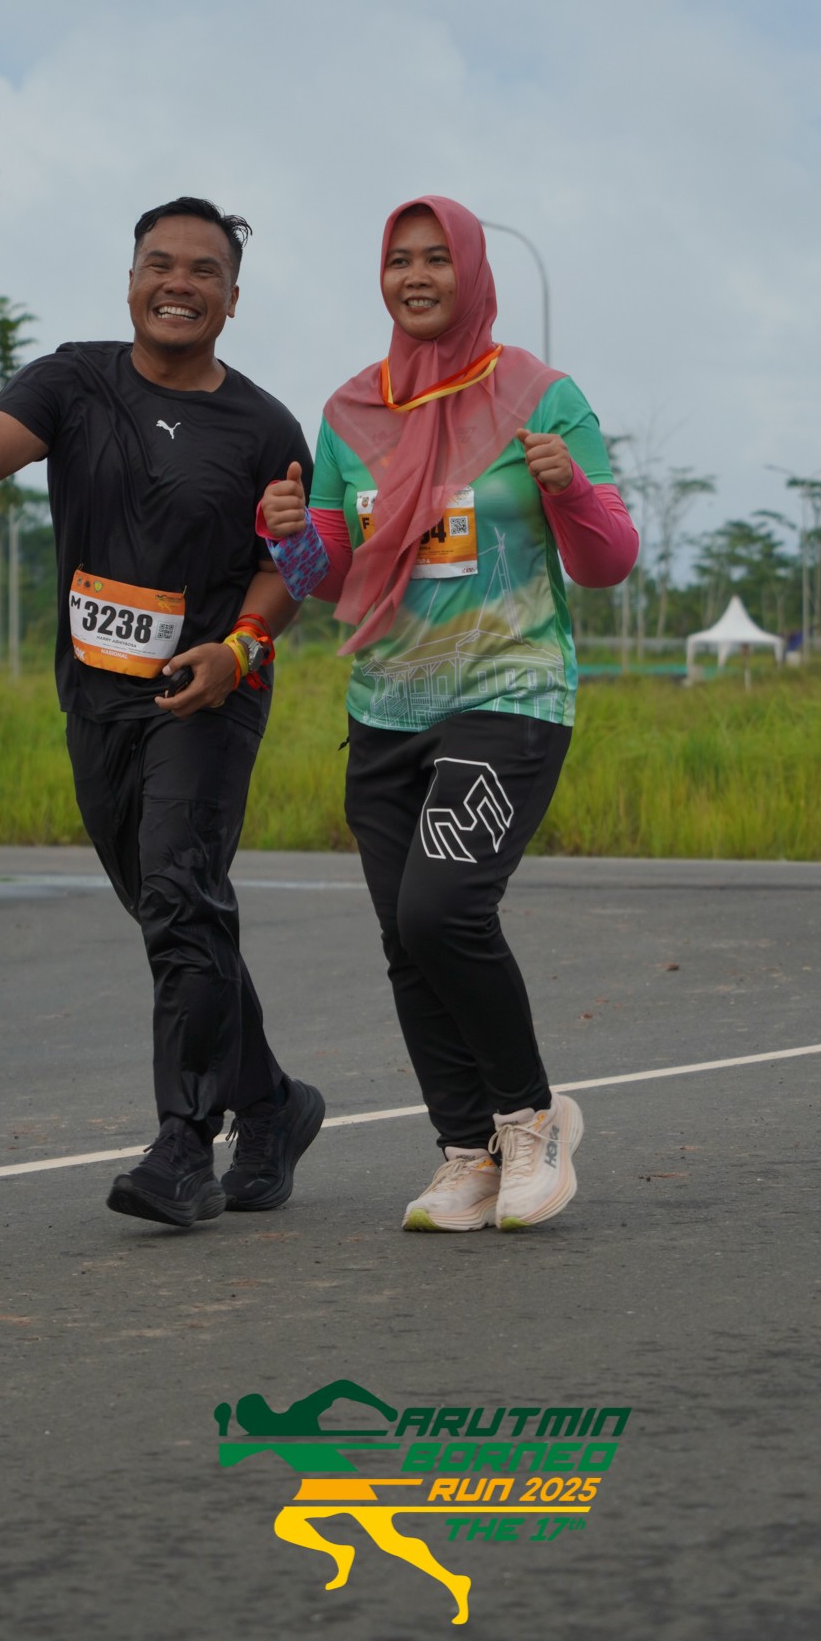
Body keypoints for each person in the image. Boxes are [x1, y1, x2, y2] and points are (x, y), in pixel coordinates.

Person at [0, 196, 324, 1229]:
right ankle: (273, 1103)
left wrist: (239, 651)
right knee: (173, 912)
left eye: (203, 270)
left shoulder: (266, 428)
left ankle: (184, 1143)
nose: (178, 283)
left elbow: (294, 568)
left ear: (232, 300)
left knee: (182, 898)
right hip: (96, 699)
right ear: (132, 280)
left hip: (207, 696)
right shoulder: (72, 381)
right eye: (160, 264)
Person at [259, 196, 637, 1232]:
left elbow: (607, 560)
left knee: (442, 910)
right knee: (403, 935)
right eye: (398, 260)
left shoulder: (542, 397)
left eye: (436, 258)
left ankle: (530, 1119)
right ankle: (466, 1150)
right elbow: (329, 576)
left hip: (508, 692)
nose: (416, 276)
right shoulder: (351, 412)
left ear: (471, 271)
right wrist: (286, 533)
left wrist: (571, 491)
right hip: (386, 704)